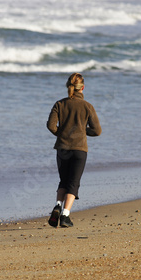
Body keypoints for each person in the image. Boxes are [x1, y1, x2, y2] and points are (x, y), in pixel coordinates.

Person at [46, 73, 102, 228]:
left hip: (62, 148)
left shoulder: (59, 104)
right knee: (74, 183)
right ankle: (65, 215)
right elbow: (97, 130)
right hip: (79, 150)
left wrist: (63, 134)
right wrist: (83, 132)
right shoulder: (88, 106)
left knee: (63, 180)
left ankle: (58, 205)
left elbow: (51, 126)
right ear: (82, 87)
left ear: (68, 86)